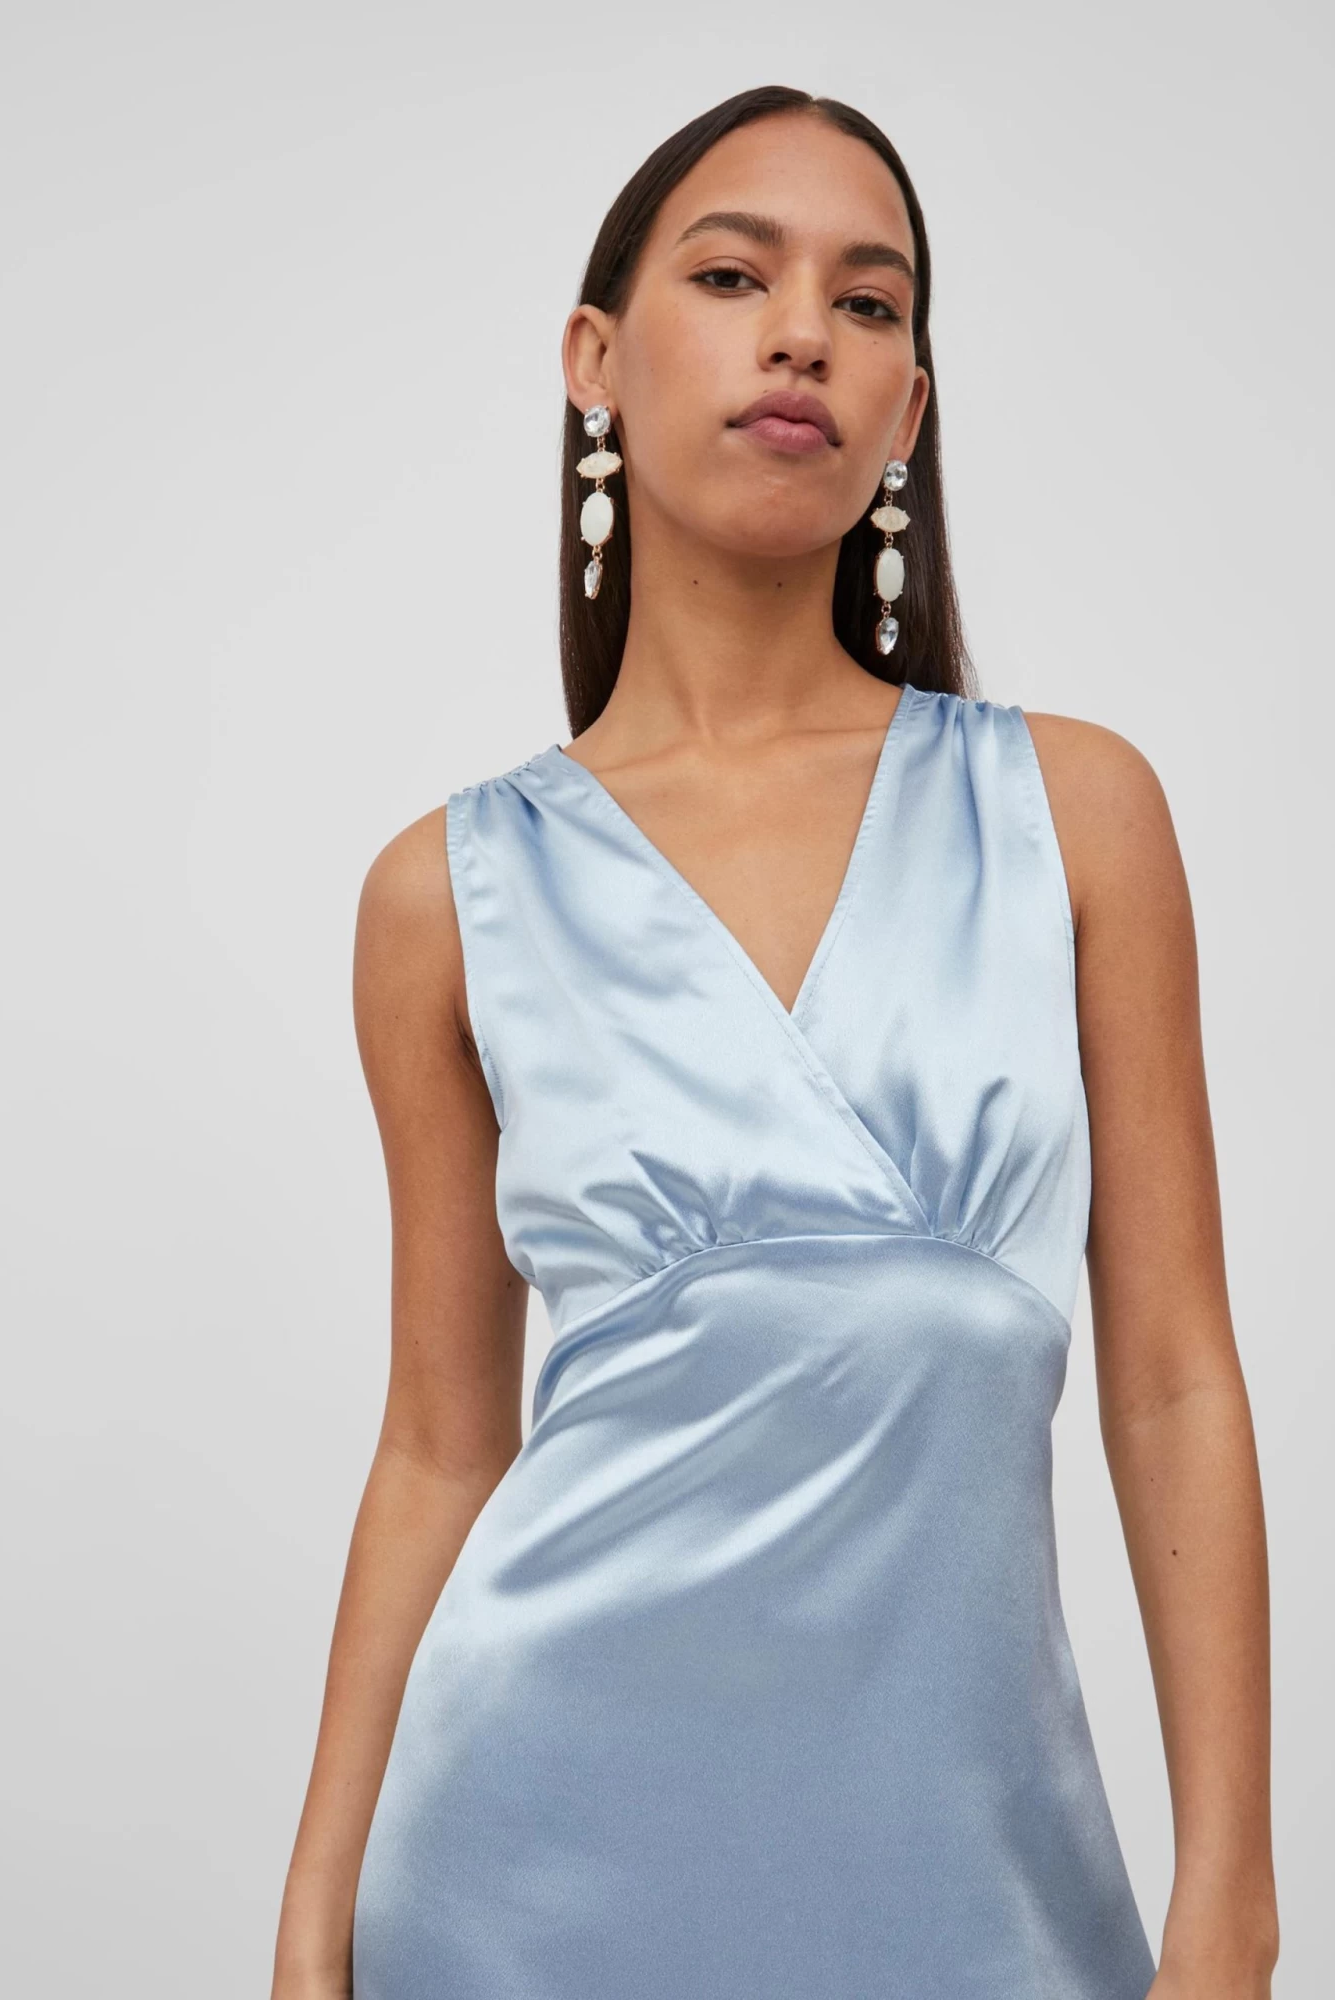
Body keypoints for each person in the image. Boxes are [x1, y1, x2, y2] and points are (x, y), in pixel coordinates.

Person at [271, 85, 1278, 2000]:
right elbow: (439, 1446)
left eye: (869, 303)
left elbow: (1171, 1379)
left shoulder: (1075, 816)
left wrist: (1231, 1890)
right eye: (734, 277)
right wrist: (314, 1927)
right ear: (596, 359)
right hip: (523, 1886)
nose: (804, 332)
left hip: (978, 1888)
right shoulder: (448, 896)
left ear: (909, 411)